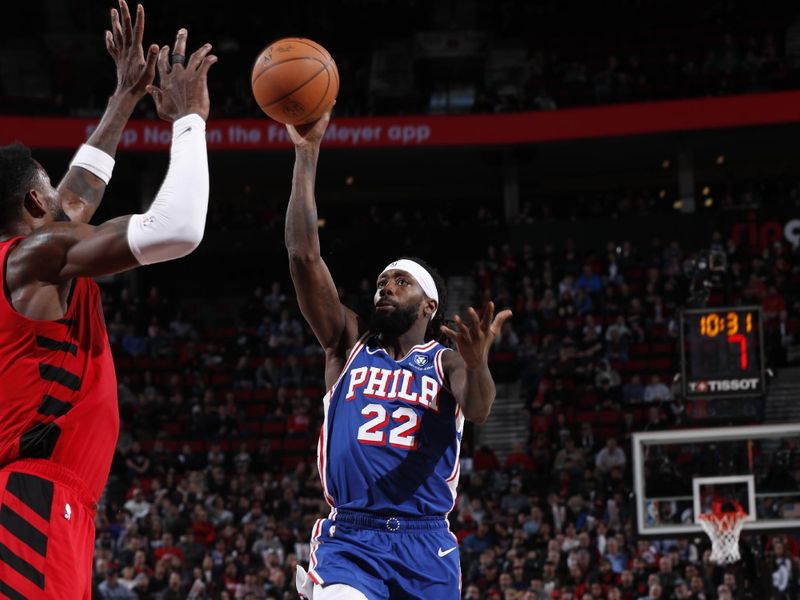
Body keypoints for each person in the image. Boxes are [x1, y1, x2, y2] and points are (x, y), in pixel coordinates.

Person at [0, 2, 217, 597]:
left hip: (37, 494)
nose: (68, 201)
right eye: (50, 191)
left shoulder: (24, 263)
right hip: (31, 496)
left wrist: (124, 96)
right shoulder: (33, 259)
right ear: (35, 210)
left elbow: (75, 197)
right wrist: (190, 121)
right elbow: (179, 229)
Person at [285, 111, 512, 599]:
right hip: (350, 538)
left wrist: (477, 364)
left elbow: (479, 408)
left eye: (400, 281)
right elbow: (304, 257)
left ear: (428, 304)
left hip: (425, 543)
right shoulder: (347, 343)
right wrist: (306, 153)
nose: (385, 288)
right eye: (382, 282)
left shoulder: (445, 361)